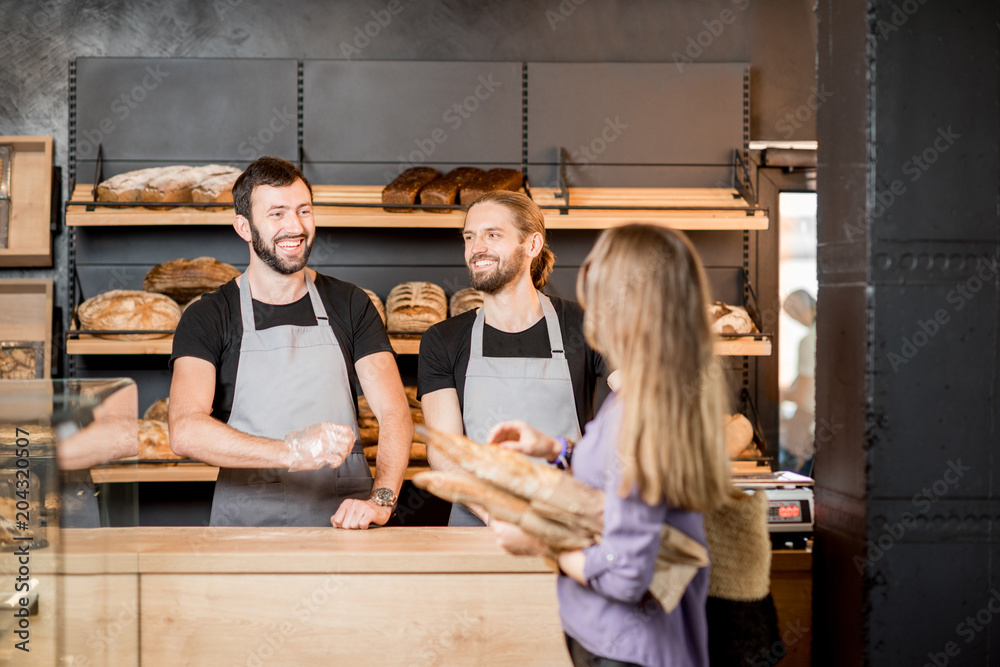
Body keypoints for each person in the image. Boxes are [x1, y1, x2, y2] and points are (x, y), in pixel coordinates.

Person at [489, 224, 731, 667]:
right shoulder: (652, 388)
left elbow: (624, 575)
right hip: (610, 640)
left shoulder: (646, 410)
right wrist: (555, 449)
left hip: (628, 650)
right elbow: (620, 481)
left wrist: (539, 541)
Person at [168, 156, 412, 528]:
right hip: (247, 527)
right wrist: (293, 451)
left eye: (303, 211)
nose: (295, 226)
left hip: (344, 523)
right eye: (277, 214)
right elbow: (185, 430)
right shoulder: (209, 316)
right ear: (244, 227)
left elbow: (395, 413)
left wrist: (382, 500)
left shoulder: (350, 303)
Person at [418, 190, 609, 526]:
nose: (477, 247)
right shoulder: (443, 339)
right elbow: (445, 452)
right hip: (476, 527)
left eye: (493, 235)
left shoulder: (584, 325)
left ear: (532, 245)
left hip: (568, 522)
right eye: (469, 237)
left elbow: (640, 403)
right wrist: (498, 516)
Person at [781, 289, 816, 474]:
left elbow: (801, 397)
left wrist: (780, 394)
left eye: (792, 314)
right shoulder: (829, 332)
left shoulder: (808, 341)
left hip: (808, 426)